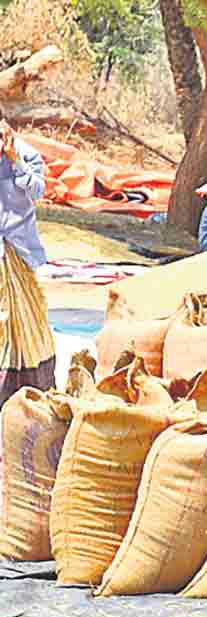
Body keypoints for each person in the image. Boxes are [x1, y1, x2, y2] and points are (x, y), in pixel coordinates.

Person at [0, 115, 55, 406]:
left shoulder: (26, 154)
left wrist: (14, 161)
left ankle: (22, 389)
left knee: (23, 318)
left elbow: (37, 191)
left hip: (17, 249)